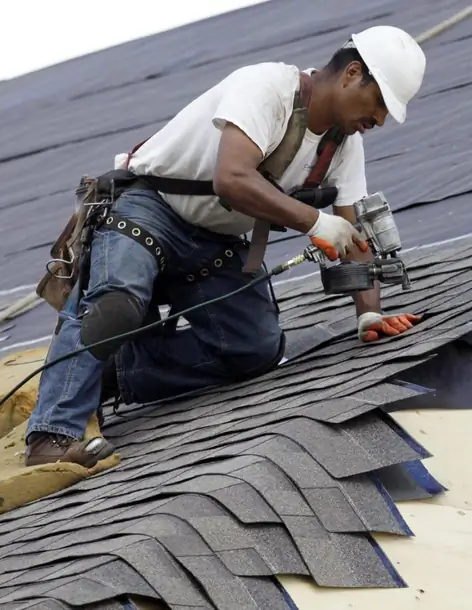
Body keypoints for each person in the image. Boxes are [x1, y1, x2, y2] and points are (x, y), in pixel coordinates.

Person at [24, 25, 427, 467]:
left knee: (253, 349)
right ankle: (51, 438)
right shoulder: (267, 87)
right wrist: (313, 221)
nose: (381, 121)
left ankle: (113, 374)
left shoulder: (342, 147)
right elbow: (232, 178)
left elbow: (352, 236)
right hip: (148, 208)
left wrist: (368, 312)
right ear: (353, 74)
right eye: (381, 104)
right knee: (115, 303)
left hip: (213, 241)